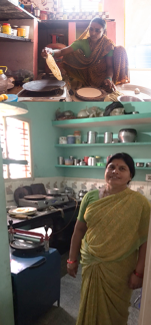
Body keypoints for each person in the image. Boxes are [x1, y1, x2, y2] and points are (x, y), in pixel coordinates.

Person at [67, 152, 150, 325]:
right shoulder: (90, 197)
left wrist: (139, 273)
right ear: (105, 171)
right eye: (111, 167)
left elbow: (144, 241)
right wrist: (72, 258)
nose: (115, 171)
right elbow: (79, 229)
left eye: (122, 168)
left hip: (120, 269)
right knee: (89, 301)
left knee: (116, 312)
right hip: (91, 262)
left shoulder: (141, 204)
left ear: (130, 175)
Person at [41, 17, 130, 92]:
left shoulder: (107, 45)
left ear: (104, 31)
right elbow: (62, 52)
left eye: (97, 30)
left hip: (103, 76)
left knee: (120, 50)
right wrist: (50, 51)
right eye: (91, 29)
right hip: (88, 74)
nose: (93, 33)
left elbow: (110, 66)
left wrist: (109, 78)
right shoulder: (82, 43)